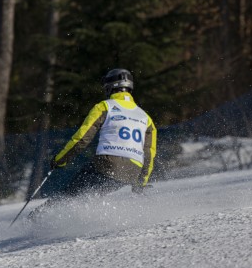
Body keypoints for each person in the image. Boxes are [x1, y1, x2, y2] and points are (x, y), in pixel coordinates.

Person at [29, 69, 157, 218]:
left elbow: (82, 138)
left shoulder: (104, 106)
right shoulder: (146, 118)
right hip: (131, 172)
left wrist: (61, 159)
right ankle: (83, 220)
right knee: (90, 194)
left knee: (69, 194)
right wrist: (140, 183)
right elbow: (149, 153)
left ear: (110, 87)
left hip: (107, 164)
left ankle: (36, 218)